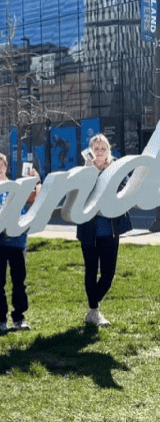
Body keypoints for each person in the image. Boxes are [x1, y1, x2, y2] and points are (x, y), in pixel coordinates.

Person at [77, 134, 132, 327]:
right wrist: (92, 172)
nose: (100, 152)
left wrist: (111, 176)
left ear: (109, 150)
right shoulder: (84, 170)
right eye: (96, 149)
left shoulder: (116, 167)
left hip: (110, 230)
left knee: (108, 275)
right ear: (90, 151)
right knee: (91, 271)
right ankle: (94, 311)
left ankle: (93, 303)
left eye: (103, 148)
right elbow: (78, 195)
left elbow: (127, 188)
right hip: (89, 231)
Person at [0, 151, 40, 333]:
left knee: (19, 282)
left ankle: (19, 318)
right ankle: (0, 320)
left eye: (1, 166)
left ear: (6, 167)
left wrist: (36, 181)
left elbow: (35, 199)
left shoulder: (16, 186)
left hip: (18, 241)